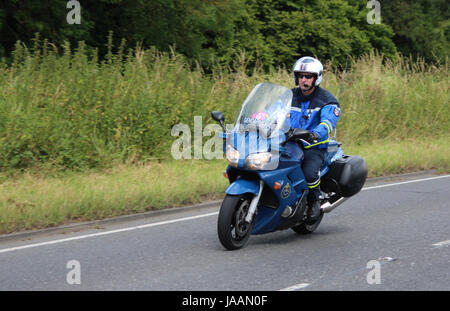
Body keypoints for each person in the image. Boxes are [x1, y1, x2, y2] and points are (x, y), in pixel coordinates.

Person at [290, 56, 341, 224]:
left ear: (316, 77)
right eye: (300, 76)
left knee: (309, 172)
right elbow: (269, 111)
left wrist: (315, 134)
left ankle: (314, 201)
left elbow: (328, 122)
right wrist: (255, 120)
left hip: (313, 145)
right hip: (288, 142)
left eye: (308, 76)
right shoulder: (289, 95)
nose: (303, 79)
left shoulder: (327, 100)